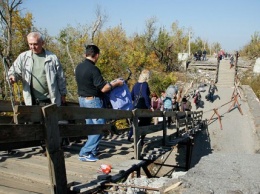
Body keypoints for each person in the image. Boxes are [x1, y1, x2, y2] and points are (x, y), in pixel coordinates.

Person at [75, 44, 123, 162]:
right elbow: (103, 89)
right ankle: (85, 152)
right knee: (99, 128)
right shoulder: (93, 69)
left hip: (82, 100)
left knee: (91, 128)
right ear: (96, 55)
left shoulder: (79, 67)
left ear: (85, 54)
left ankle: (93, 151)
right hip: (93, 101)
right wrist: (116, 83)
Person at [8, 31, 67, 106]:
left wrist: (63, 94)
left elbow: (61, 77)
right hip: (31, 101)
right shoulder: (23, 57)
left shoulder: (52, 58)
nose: (32, 47)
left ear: (42, 43)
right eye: (30, 44)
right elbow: (14, 71)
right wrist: (12, 77)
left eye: (35, 44)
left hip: (50, 100)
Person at [129, 69, 152, 143]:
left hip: (135, 106)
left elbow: (131, 96)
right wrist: (149, 106)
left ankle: (130, 136)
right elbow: (145, 95)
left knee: (135, 123)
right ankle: (141, 139)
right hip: (143, 107)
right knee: (146, 122)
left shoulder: (135, 85)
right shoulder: (145, 84)